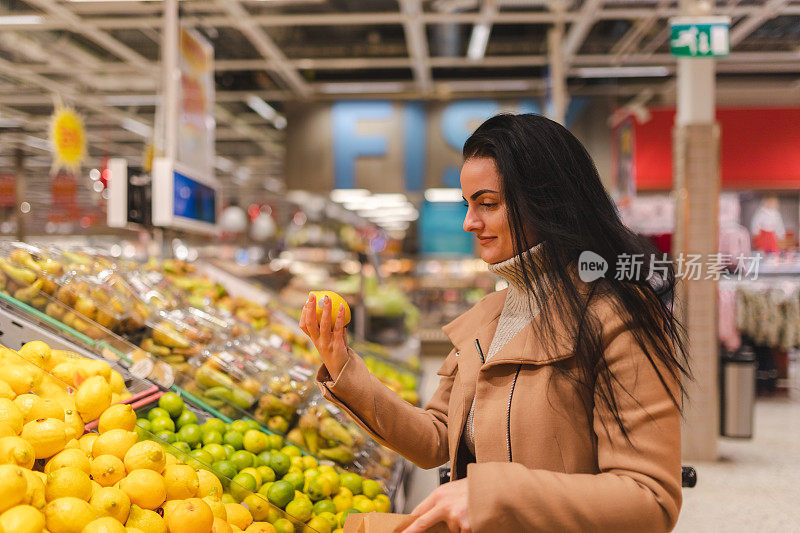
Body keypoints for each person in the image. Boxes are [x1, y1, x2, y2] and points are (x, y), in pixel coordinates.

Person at [300, 114, 690, 533]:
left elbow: (650, 499)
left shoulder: (617, 319)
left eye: (487, 203)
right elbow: (437, 436)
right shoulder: (491, 316)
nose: (470, 222)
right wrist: (342, 366)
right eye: (469, 204)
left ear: (547, 201)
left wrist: (493, 495)